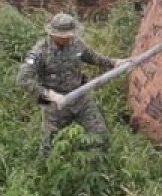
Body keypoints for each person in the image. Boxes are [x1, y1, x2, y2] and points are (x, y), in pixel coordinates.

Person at [16, 13, 127, 158]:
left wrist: (114, 62)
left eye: (70, 35)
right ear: (53, 34)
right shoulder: (39, 52)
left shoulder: (76, 44)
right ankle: (44, 173)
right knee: (50, 147)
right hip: (56, 106)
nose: (68, 38)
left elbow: (93, 57)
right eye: (64, 36)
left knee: (101, 135)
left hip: (80, 98)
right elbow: (23, 79)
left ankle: (95, 164)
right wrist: (50, 95)